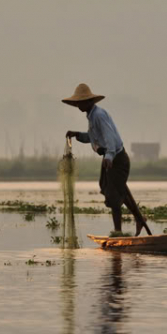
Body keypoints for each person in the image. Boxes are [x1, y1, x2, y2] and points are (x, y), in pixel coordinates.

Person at [63, 83, 152, 236]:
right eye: (77, 102)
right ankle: (139, 219)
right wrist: (77, 134)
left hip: (117, 159)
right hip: (110, 158)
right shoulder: (92, 117)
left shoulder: (98, 115)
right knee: (117, 191)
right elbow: (93, 138)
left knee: (114, 195)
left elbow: (109, 137)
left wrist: (109, 156)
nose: (78, 105)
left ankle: (118, 231)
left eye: (81, 101)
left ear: (90, 101)